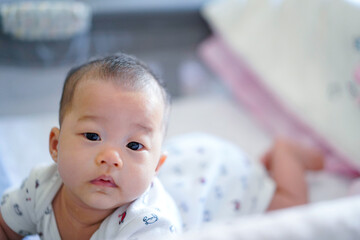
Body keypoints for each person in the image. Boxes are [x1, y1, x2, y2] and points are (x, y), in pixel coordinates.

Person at [0, 53, 182, 239]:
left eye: (134, 145)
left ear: (156, 167)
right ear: (56, 145)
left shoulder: (147, 228)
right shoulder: (40, 188)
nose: (111, 158)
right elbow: (4, 227)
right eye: (92, 136)